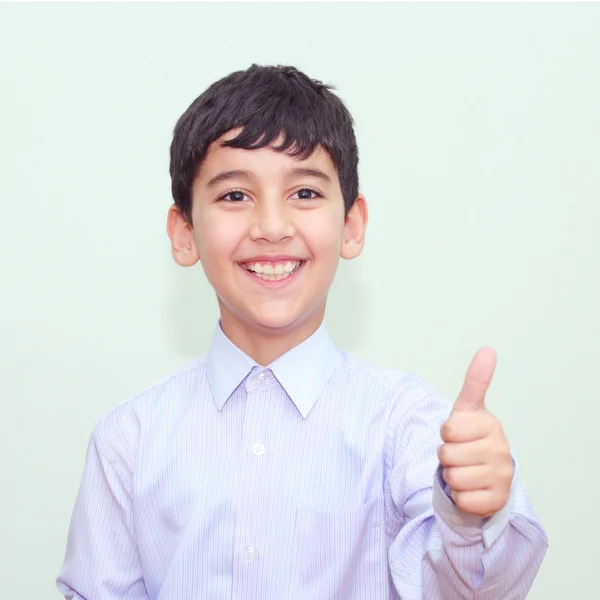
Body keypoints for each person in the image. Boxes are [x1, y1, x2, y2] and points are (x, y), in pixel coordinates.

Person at [56, 64, 548, 599]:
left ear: (352, 225)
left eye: (306, 193)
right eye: (234, 196)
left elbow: (468, 591)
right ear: (184, 233)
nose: (271, 226)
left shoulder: (406, 426)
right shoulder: (127, 441)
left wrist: (471, 515)